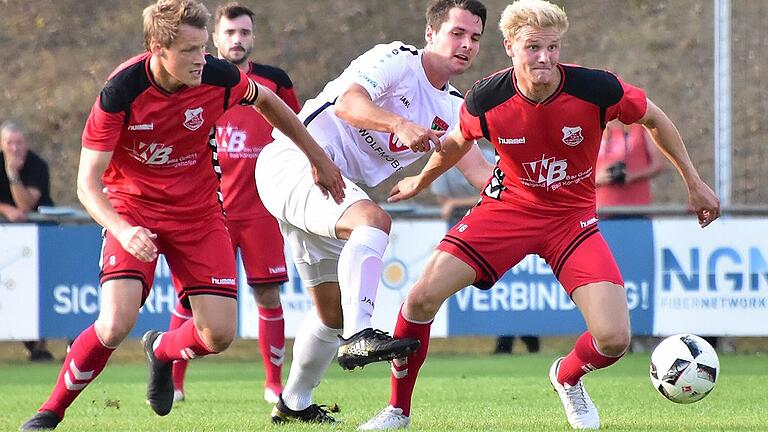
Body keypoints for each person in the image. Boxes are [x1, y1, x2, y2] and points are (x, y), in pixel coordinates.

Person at [359, 0, 720, 430]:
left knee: (614, 340)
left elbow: (654, 118)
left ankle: (566, 377)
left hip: (572, 222)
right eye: (533, 47)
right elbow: (456, 142)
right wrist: (420, 181)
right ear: (510, 47)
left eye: (553, 47)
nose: (545, 57)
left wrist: (694, 182)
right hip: (506, 210)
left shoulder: (595, 89)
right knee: (418, 298)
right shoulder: (486, 98)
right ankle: (397, 411)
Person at [19, 0, 344, 430]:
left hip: (200, 214)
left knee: (219, 336)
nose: (201, 59)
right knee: (115, 324)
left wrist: (317, 157)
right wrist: (121, 226)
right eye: (190, 50)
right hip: (132, 209)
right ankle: (50, 411)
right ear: (158, 47)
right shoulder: (121, 92)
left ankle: (162, 351)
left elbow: (267, 101)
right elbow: (87, 183)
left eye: (203, 47)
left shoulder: (218, 76)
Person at [255, 0, 490, 423]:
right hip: (295, 159)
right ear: (430, 34)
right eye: (457, 33)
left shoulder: (455, 108)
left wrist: (539, 190)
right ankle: (361, 336)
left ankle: (294, 403)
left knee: (331, 314)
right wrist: (397, 124)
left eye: (475, 38)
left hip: (333, 187)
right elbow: (348, 104)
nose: (466, 44)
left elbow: (480, 172)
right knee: (374, 221)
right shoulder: (396, 58)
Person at [166, 2, 300, 405]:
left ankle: (273, 383)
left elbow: (296, 129)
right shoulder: (193, 79)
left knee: (268, 297)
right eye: (230, 33)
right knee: (189, 300)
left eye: (244, 33)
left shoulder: (274, 82)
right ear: (216, 38)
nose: (237, 40)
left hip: (261, 212)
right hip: (210, 213)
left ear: (252, 37)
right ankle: (173, 383)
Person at [1, 121, 56, 362]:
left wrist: (13, 175)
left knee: (40, 287)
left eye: (19, 143)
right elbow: (14, 210)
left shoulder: (36, 165)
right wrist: (5, 209)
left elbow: (25, 205)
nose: (15, 148)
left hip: (38, 239)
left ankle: (39, 344)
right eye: (10, 143)